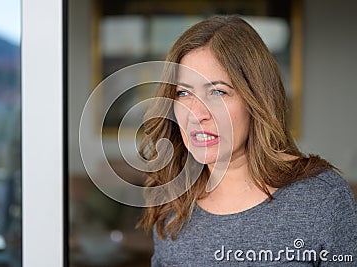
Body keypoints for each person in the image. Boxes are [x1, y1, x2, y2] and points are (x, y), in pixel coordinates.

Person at [137, 15, 357, 266]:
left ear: (256, 101)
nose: (196, 114)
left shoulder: (321, 198)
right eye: (184, 93)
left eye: (218, 92)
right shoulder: (174, 202)